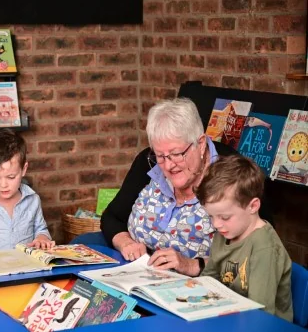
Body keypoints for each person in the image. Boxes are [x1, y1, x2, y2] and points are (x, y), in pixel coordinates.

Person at [100, 98, 272, 276]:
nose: (168, 165)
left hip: (201, 287)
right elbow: (112, 217)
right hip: (140, 273)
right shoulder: (148, 162)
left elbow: (256, 249)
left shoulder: (233, 172)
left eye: (176, 154)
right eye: (160, 156)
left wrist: (193, 265)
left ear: (201, 143)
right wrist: (126, 243)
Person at [195, 154, 293, 321]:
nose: (216, 224)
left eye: (224, 217)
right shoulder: (225, 232)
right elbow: (209, 277)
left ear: (253, 206)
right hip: (227, 316)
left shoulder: (264, 248)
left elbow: (261, 312)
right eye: (211, 216)